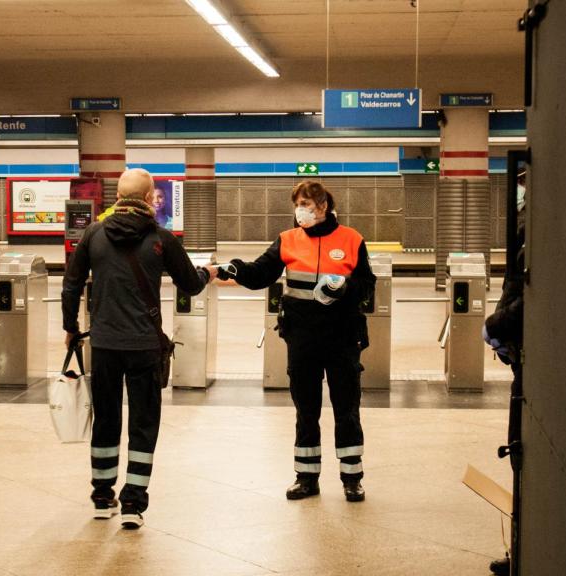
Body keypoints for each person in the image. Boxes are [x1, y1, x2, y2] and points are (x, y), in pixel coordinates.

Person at [62, 168, 214, 529]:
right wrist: (208, 272)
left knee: (106, 418)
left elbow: (71, 285)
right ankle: (133, 503)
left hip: (104, 344)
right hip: (145, 345)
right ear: (149, 199)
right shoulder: (162, 238)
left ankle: (102, 496)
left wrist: (71, 328)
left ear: (117, 197)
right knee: (143, 424)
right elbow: (190, 285)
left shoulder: (93, 234)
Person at [208, 180, 375, 502]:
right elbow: (260, 274)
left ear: (324, 206)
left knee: (347, 408)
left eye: (309, 204)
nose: (303, 210)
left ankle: (352, 478)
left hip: (342, 336)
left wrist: (345, 288)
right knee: (306, 409)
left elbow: (367, 284)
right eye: (298, 203)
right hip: (302, 337)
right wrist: (231, 269)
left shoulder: (351, 239)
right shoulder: (288, 240)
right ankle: (306, 477)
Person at [483, 171, 526, 576]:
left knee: (523, 453)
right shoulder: (529, 225)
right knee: (519, 454)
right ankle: (521, 549)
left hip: (528, 361)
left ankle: (526, 550)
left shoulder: (536, 227)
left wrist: (496, 326)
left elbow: (528, 293)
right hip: (521, 355)